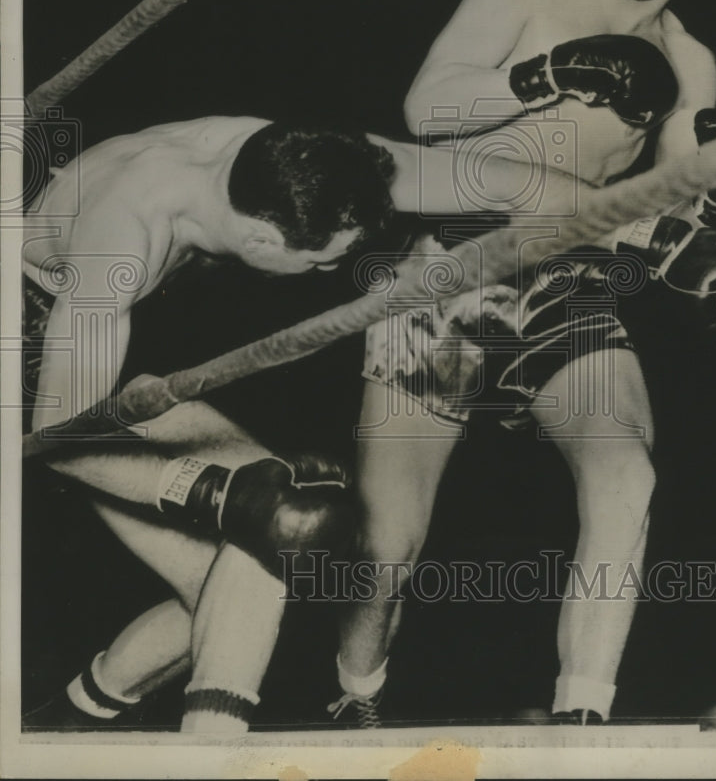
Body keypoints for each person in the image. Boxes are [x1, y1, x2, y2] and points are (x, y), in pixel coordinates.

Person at [330, 0, 716, 727]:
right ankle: (354, 697)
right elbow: (427, 107)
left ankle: (581, 716)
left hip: (566, 273)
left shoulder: (691, 63)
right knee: (384, 555)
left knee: (625, 476)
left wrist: (711, 211)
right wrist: (553, 73)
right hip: (448, 266)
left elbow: (669, 200)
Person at [23, 114, 587, 732]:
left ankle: (74, 719)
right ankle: (210, 753)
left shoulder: (295, 159)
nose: (329, 273)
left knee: (284, 526)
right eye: (321, 262)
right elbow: (58, 435)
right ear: (264, 241)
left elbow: (503, 183)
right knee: (267, 517)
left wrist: (661, 229)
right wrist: (211, 491)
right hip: (25, 351)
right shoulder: (121, 241)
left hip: (83, 331)